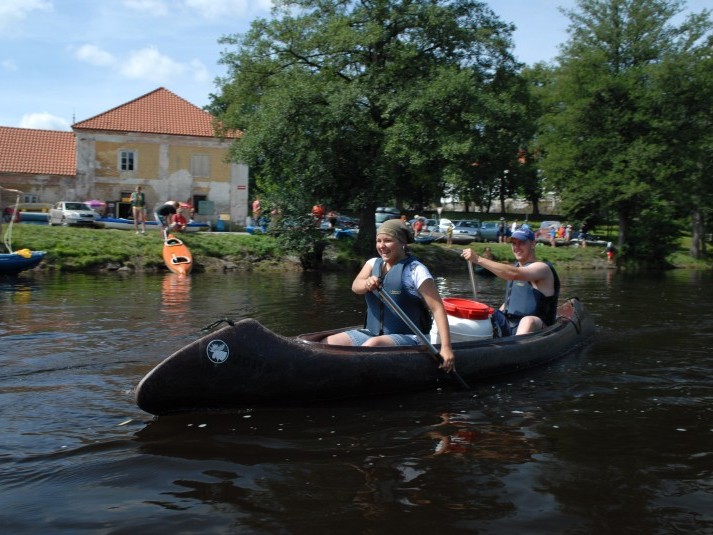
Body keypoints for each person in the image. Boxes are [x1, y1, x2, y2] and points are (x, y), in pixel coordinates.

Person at [322, 219, 455, 372]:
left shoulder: (416, 270)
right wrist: (366, 283)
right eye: (378, 241)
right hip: (372, 333)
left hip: (412, 337)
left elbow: (438, 309)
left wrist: (446, 348)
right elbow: (355, 287)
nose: (381, 246)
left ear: (402, 243)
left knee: (371, 346)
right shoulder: (373, 263)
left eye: (388, 241)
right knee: (328, 341)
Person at [462, 228, 560, 337]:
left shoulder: (542, 268)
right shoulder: (515, 267)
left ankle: (516, 349)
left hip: (539, 326)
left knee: (527, 321)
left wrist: (478, 259)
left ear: (533, 244)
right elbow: (512, 301)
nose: (516, 247)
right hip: (510, 323)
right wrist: (492, 314)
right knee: (487, 313)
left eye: (521, 243)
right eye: (513, 243)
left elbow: (513, 274)